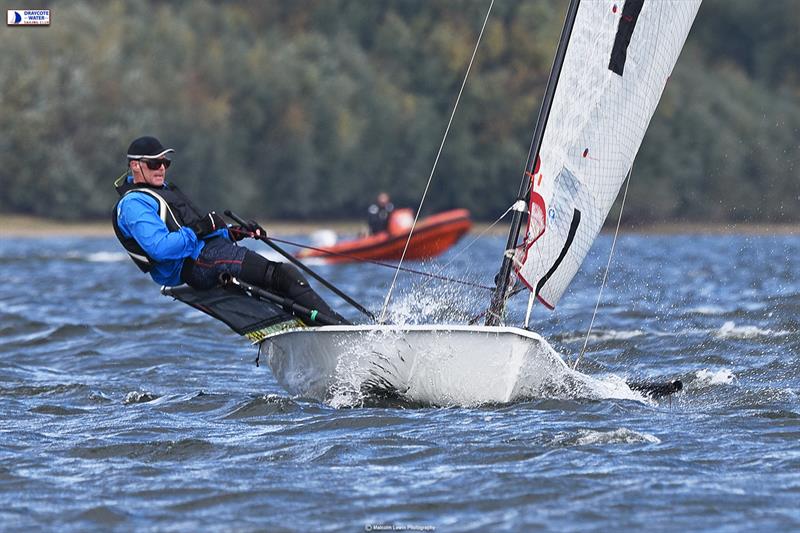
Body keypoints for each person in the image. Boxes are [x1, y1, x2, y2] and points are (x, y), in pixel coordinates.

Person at [112, 135, 347, 324]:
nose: (161, 168)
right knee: (283, 275)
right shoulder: (134, 204)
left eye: (165, 163)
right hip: (195, 265)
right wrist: (201, 228)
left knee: (279, 285)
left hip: (208, 254)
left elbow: (197, 232)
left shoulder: (162, 191)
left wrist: (233, 232)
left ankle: (318, 327)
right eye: (154, 163)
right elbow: (161, 249)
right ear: (135, 165)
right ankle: (339, 328)